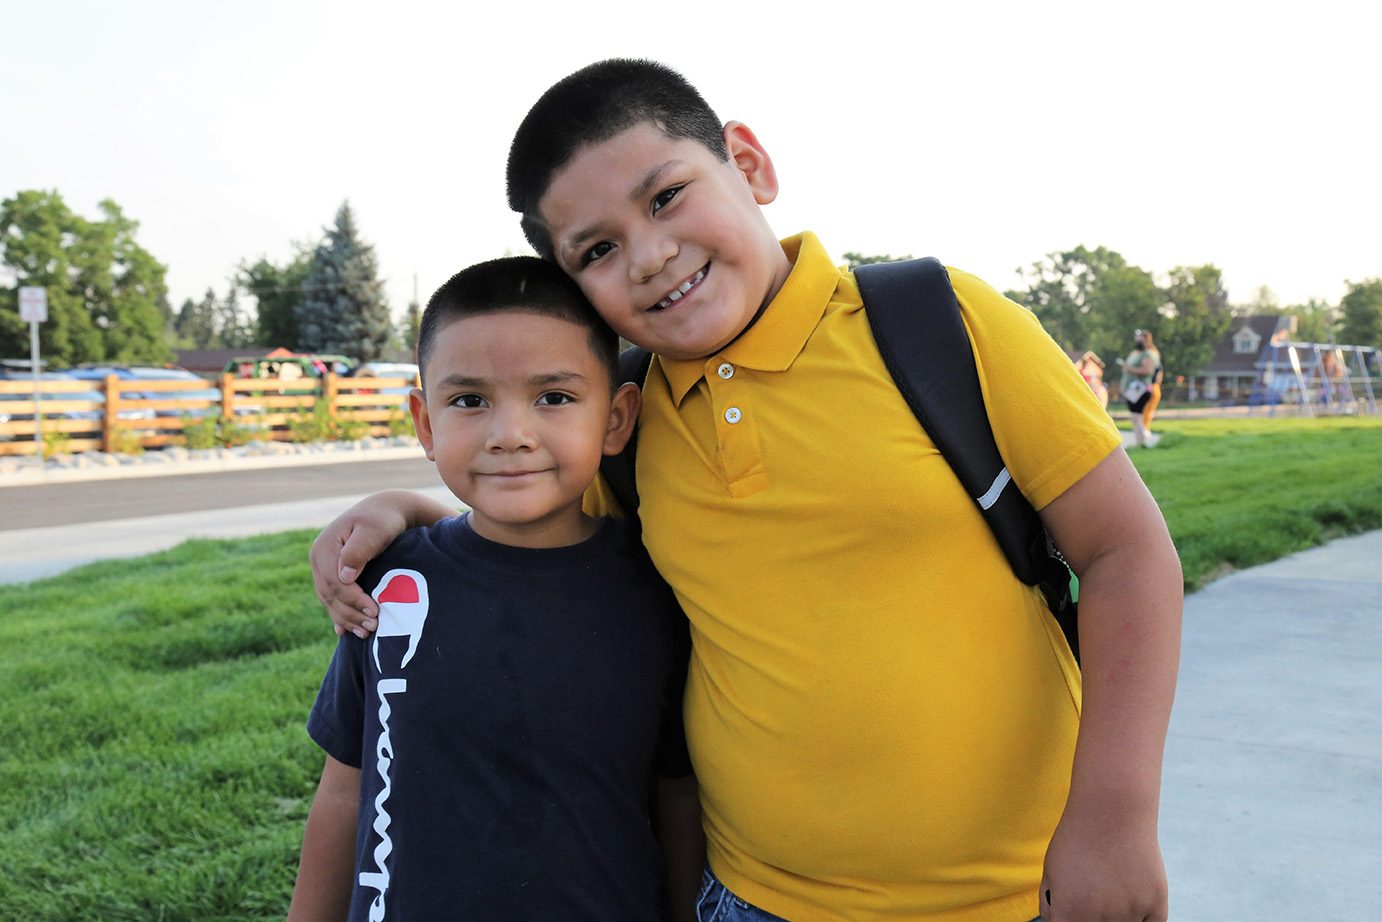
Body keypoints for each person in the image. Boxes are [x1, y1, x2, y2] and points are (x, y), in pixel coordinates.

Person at [311, 60, 1183, 922]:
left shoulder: (939, 322)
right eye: (599, 250)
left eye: (666, 197)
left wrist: (1114, 817)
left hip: (1017, 893)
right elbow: (531, 520)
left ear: (751, 165)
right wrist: (406, 512)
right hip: (752, 899)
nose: (650, 257)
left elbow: (1124, 553)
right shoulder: (628, 422)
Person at [286, 256, 702, 922]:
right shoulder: (391, 584)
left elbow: (677, 799)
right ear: (426, 424)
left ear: (617, 419)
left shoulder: (663, 592)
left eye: (555, 398)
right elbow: (345, 789)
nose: (510, 435)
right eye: (470, 400)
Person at [1121, 329, 1163, 447]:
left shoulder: (1148, 354)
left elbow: (1148, 370)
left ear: (1145, 339)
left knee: (1136, 416)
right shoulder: (1137, 354)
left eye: (1139, 338)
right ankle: (1140, 441)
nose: (1136, 340)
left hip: (1141, 389)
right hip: (1135, 389)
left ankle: (1141, 442)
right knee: (1136, 416)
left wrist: (1130, 369)